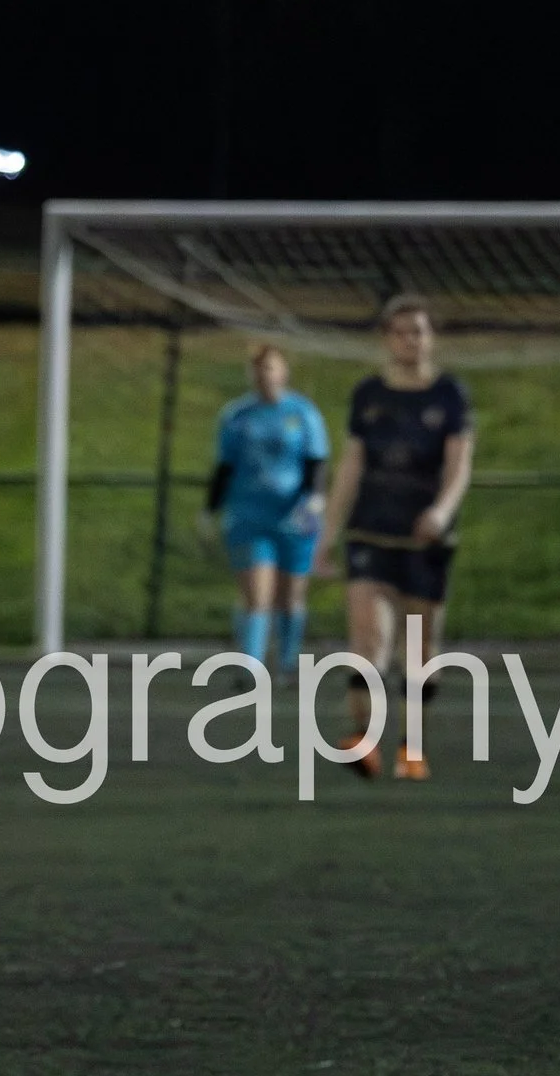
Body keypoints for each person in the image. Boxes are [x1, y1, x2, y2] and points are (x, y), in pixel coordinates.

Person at [314, 294, 476, 780]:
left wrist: (441, 511)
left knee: (421, 651)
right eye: (401, 332)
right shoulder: (368, 395)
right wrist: (327, 533)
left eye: (419, 332)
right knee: (370, 639)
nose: (410, 341)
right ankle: (362, 741)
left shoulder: (449, 395)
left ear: (431, 338)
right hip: (371, 531)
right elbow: (352, 465)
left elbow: (459, 465)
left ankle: (412, 748)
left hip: (423, 540)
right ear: (387, 339)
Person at [202, 343, 327, 677]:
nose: (264, 375)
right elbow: (224, 467)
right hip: (249, 517)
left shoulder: (302, 414)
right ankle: (250, 666)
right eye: (257, 368)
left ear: (284, 371)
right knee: (257, 595)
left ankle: (287, 663)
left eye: (270, 367)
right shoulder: (237, 416)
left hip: (295, 518)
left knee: (290, 597)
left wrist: (314, 500)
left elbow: (315, 462)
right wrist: (209, 510)